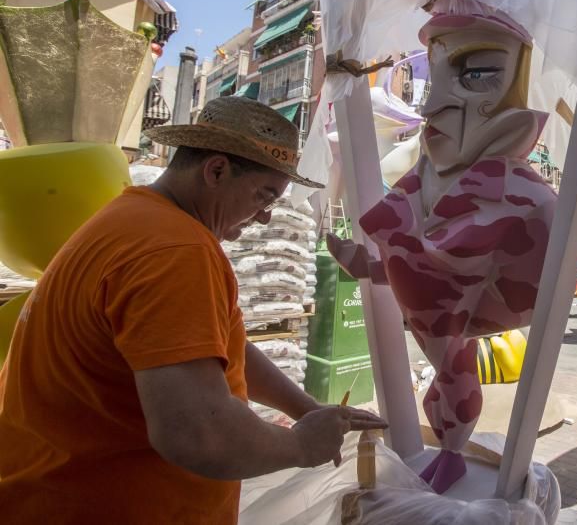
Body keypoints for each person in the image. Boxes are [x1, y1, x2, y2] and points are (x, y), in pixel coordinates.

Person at [0, 97, 386, 523]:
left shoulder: (131, 219)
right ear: (216, 170)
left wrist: (305, 408)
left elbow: (214, 349)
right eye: (263, 195)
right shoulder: (176, 250)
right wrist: (300, 446)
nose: (264, 218)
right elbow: (198, 434)